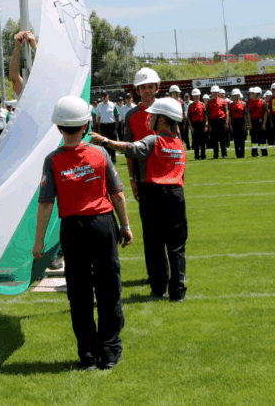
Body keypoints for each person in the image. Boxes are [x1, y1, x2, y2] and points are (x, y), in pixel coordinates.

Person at [33, 96, 133, 371]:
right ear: (87, 124)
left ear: (58, 128)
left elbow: (45, 204)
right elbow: (117, 193)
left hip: (73, 230)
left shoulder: (52, 160)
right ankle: (110, 351)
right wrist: (125, 226)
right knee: (109, 288)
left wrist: (39, 242)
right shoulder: (100, 154)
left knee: (79, 293)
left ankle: (88, 355)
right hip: (102, 224)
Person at [93, 97, 186, 302]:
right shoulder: (179, 144)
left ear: (162, 120)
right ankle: (178, 291)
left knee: (155, 243)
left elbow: (131, 148)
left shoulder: (154, 140)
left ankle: (159, 288)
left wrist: (105, 141)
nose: (149, 119)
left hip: (154, 194)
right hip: (177, 196)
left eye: (152, 116)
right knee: (177, 245)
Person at [123, 68, 160, 196]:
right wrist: (132, 179)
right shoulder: (130, 115)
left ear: (157, 88)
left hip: (165, 170)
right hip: (142, 173)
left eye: (150, 86)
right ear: (137, 90)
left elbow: (177, 143)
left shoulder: (167, 110)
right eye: (143, 87)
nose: (147, 90)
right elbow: (129, 151)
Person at [94, 92, 121, 161]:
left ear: (108, 96)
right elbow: (98, 118)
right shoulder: (99, 105)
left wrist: (116, 128)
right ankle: (107, 157)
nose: (104, 97)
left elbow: (117, 117)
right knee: (104, 142)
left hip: (111, 125)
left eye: (105, 96)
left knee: (112, 142)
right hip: (103, 126)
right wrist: (99, 129)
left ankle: (113, 156)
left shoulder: (113, 105)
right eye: (103, 96)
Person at [9, 30, 37, 96]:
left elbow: (47, 70)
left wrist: (35, 46)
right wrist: (17, 46)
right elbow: (14, 75)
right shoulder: (25, 91)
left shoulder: (45, 89)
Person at [206, 85, 228, 159]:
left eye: (216, 93)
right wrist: (207, 124)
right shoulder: (209, 102)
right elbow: (207, 114)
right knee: (214, 139)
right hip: (213, 122)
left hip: (221, 121)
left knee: (222, 139)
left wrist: (227, 122)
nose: (214, 94)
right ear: (211, 93)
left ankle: (224, 154)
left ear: (218, 93)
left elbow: (226, 112)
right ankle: (216, 155)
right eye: (213, 93)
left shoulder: (223, 101)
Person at [187, 89, 207, 160]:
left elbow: (206, 116)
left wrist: (206, 125)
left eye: (197, 96)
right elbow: (189, 117)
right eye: (194, 96)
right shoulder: (190, 106)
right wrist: (191, 127)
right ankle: (196, 156)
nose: (196, 97)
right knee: (195, 142)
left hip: (202, 124)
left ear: (199, 96)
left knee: (202, 141)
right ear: (192, 97)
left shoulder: (203, 105)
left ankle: (203, 156)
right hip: (194, 125)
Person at [247, 87, 267, 156]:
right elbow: (249, 113)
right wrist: (249, 123)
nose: (253, 95)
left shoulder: (263, 102)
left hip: (261, 121)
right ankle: (254, 153)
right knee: (254, 138)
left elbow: (265, 113)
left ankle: (264, 152)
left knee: (262, 138)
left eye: (255, 94)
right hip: (253, 121)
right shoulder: (250, 102)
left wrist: (264, 123)